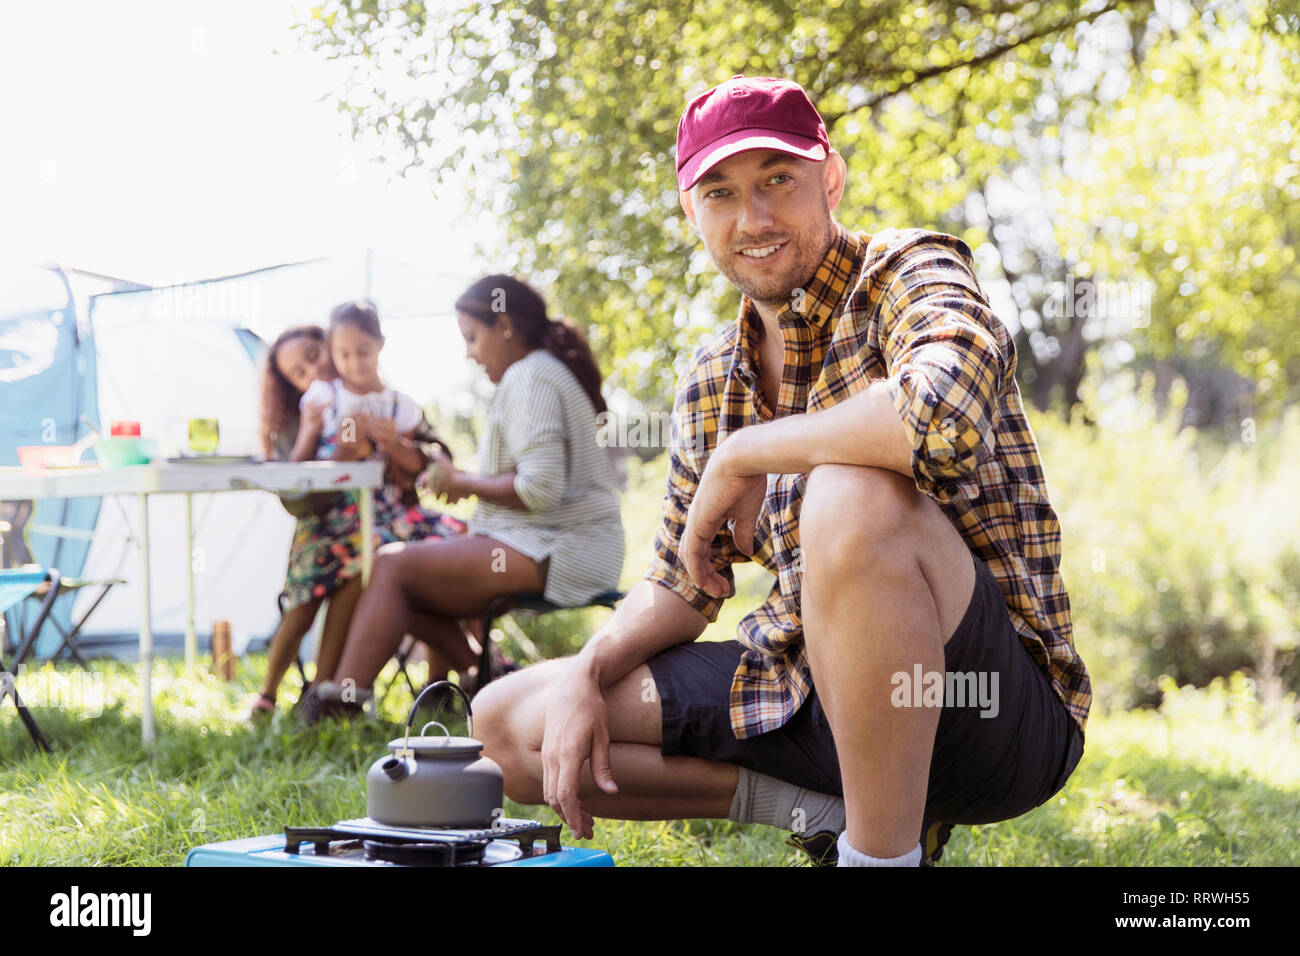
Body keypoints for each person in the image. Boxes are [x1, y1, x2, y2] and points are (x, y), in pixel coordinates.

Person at [470, 75, 1090, 867]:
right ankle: (829, 813)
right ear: (692, 214)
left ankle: (878, 862)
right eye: (721, 192)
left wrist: (747, 451)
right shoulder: (711, 377)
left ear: (830, 177)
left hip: (992, 712)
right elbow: (681, 584)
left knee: (850, 488)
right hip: (810, 691)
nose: (753, 218)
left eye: (778, 180)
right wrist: (588, 670)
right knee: (507, 723)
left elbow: (942, 413)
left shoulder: (906, 270)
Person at [307, 275, 625, 718]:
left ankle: (338, 704)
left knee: (392, 565)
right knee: (409, 592)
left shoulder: (530, 377)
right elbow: (533, 477)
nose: (469, 353)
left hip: (565, 548)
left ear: (505, 325)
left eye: (473, 338)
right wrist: (464, 480)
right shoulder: (540, 372)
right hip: (550, 542)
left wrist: (462, 483)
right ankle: (486, 682)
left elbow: (539, 487)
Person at [253, 307, 465, 719]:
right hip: (328, 527)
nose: (314, 369)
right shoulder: (312, 411)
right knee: (312, 600)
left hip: (379, 524)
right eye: (299, 371)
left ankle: (440, 682)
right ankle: (285, 694)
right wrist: (327, 440)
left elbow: (433, 459)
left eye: (315, 355)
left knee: (424, 555)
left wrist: (397, 448)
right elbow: (296, 487)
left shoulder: (391, 401)